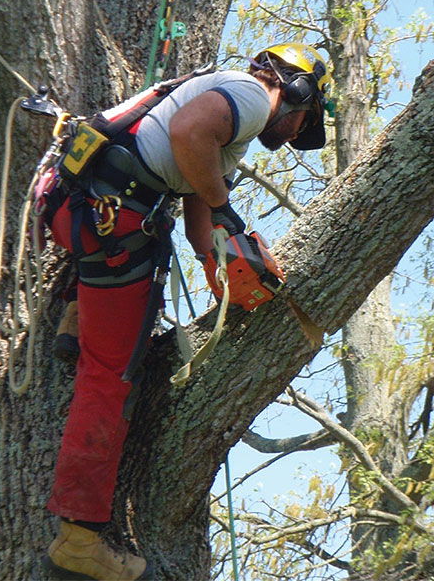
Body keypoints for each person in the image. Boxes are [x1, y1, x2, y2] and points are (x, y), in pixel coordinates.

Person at [40, 43, 332, 581]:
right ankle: (77, 539)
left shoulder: (225, 113)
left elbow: (201, 226)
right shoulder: (252, 97)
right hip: (111, 220)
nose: (294, 135)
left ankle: (78, 313)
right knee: (109, 375)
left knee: (132, 280)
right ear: (297, 90)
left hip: (79, 207)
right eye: (304, 121)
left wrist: (228, 275)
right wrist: (226, 210)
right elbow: (188, 134)